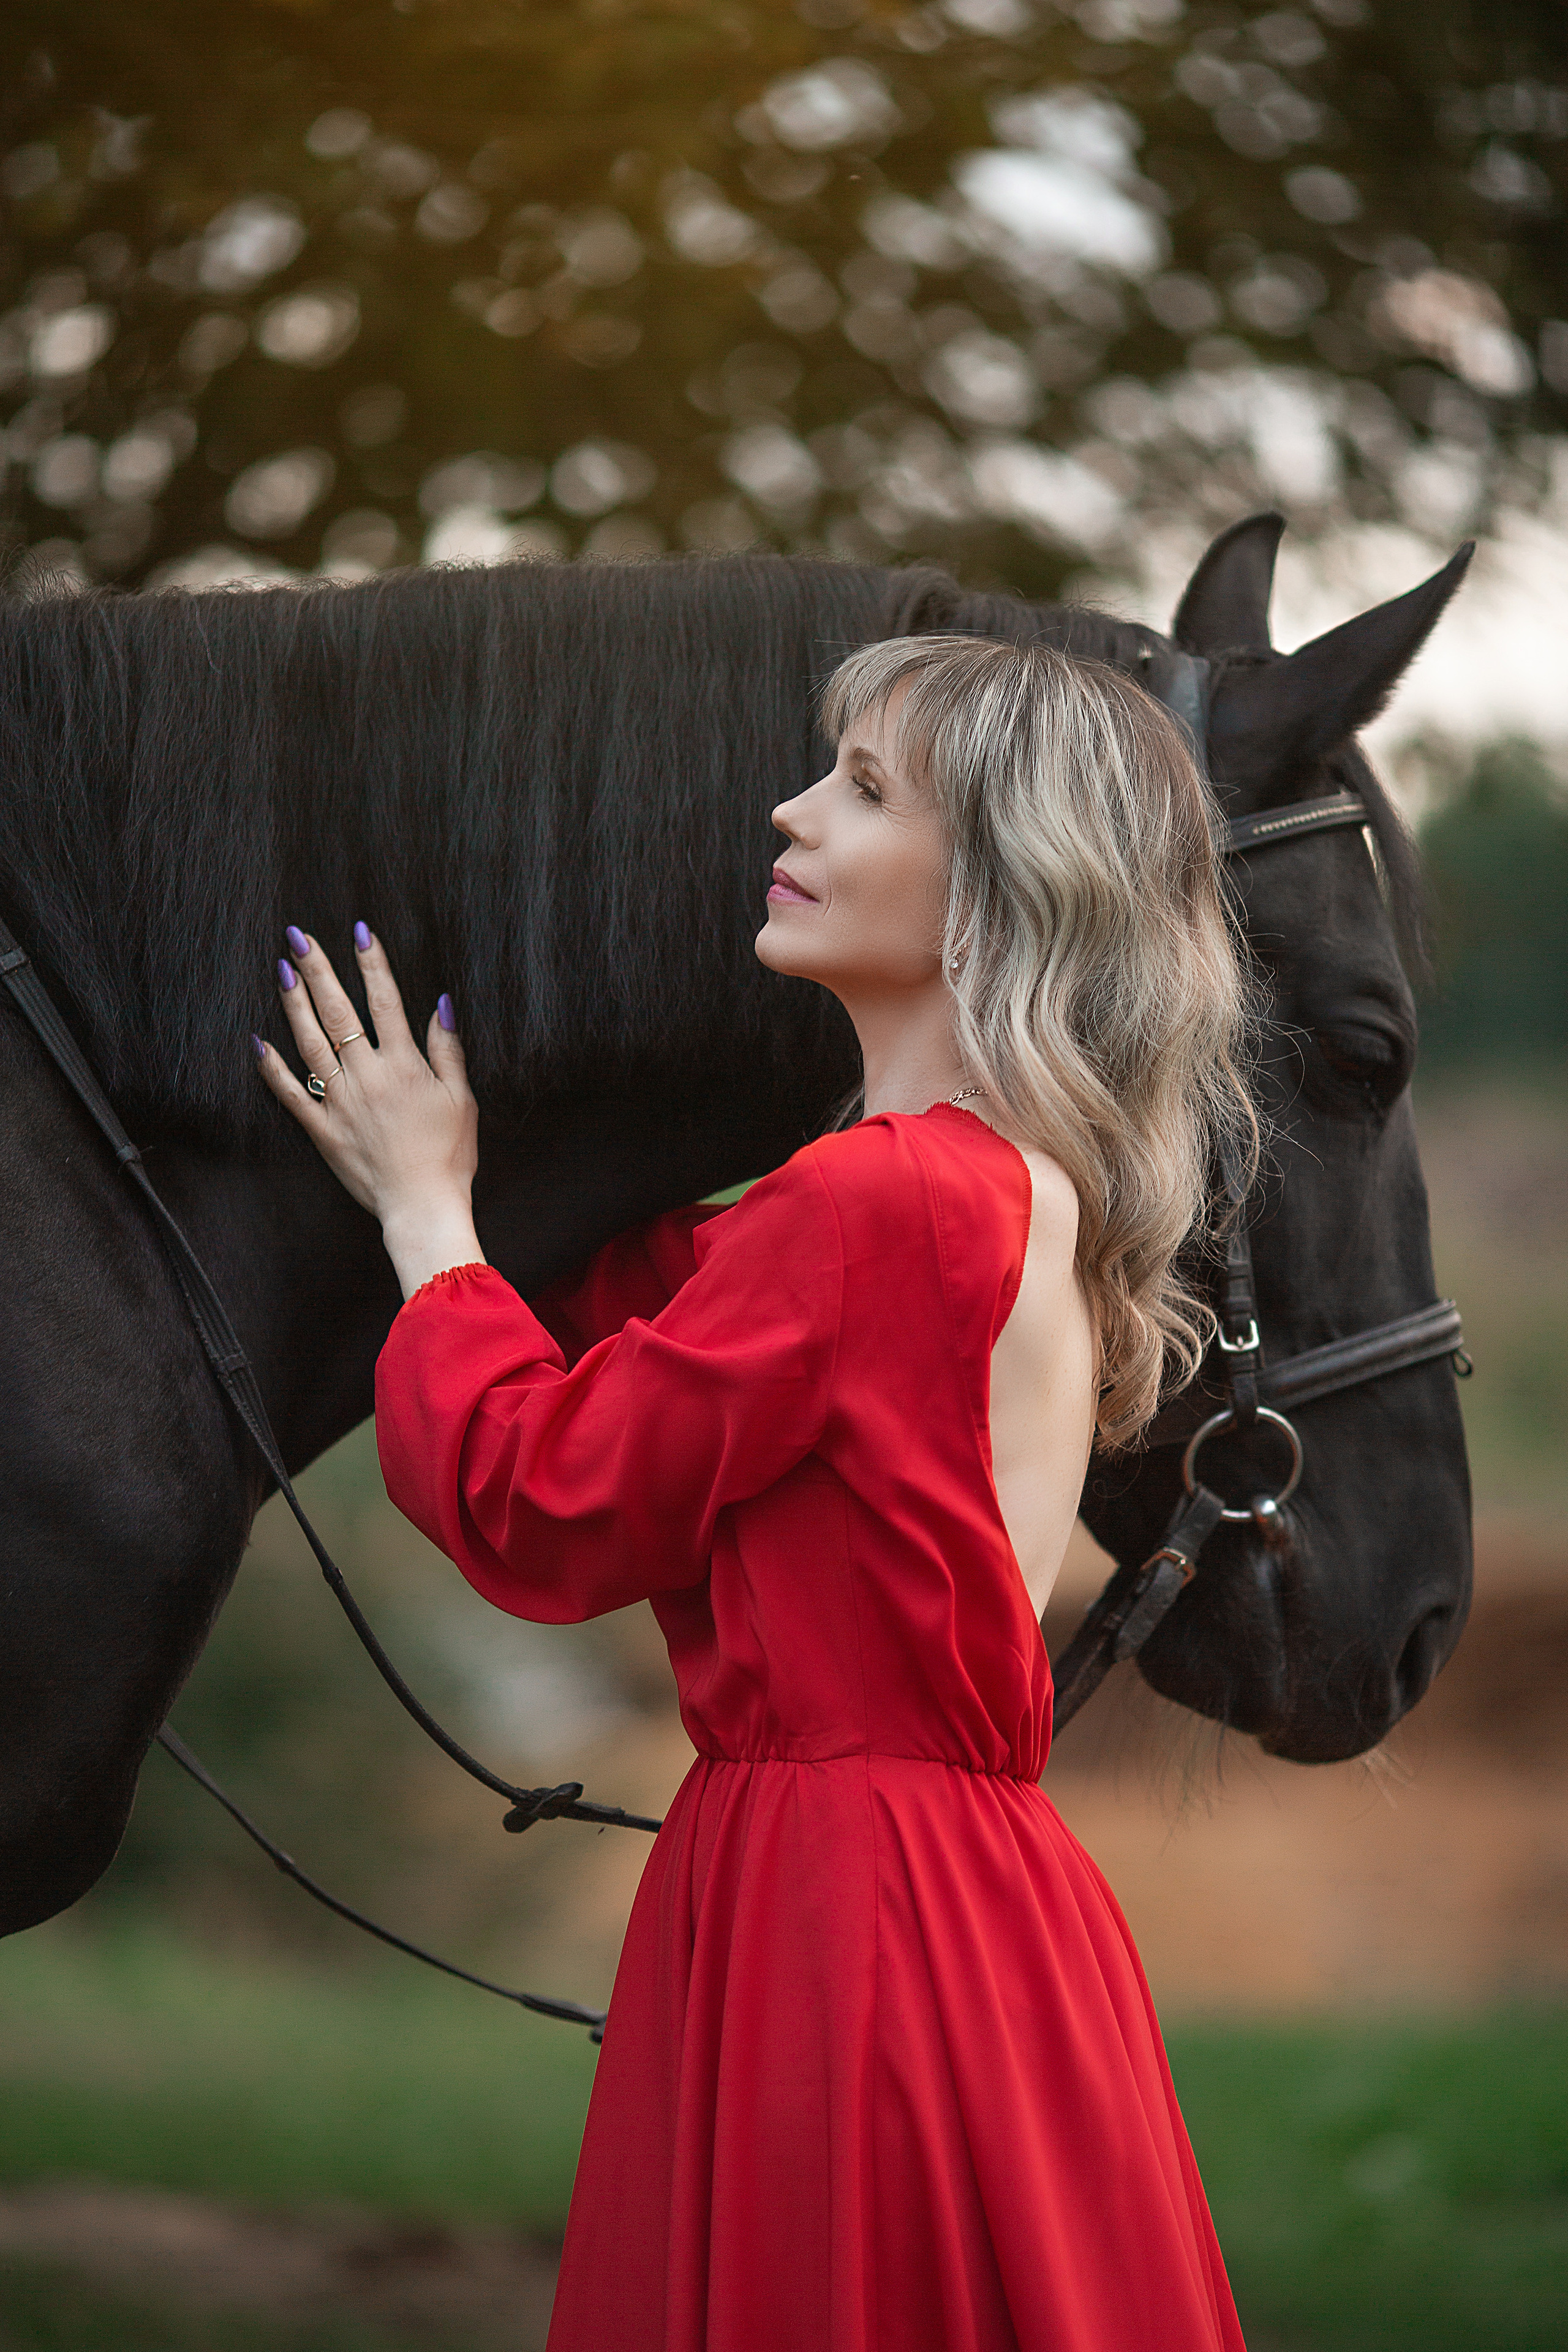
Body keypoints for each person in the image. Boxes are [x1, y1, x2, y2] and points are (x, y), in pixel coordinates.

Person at [255, 633, 1253, 2352]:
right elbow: (662, 1324)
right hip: (952, 1892)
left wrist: (429, 1212)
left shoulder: (877, 1205)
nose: (790, 809)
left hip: (837, 1899)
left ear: (996, 890)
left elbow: (543, 1500)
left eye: (864, 790)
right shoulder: (1002, 1191)